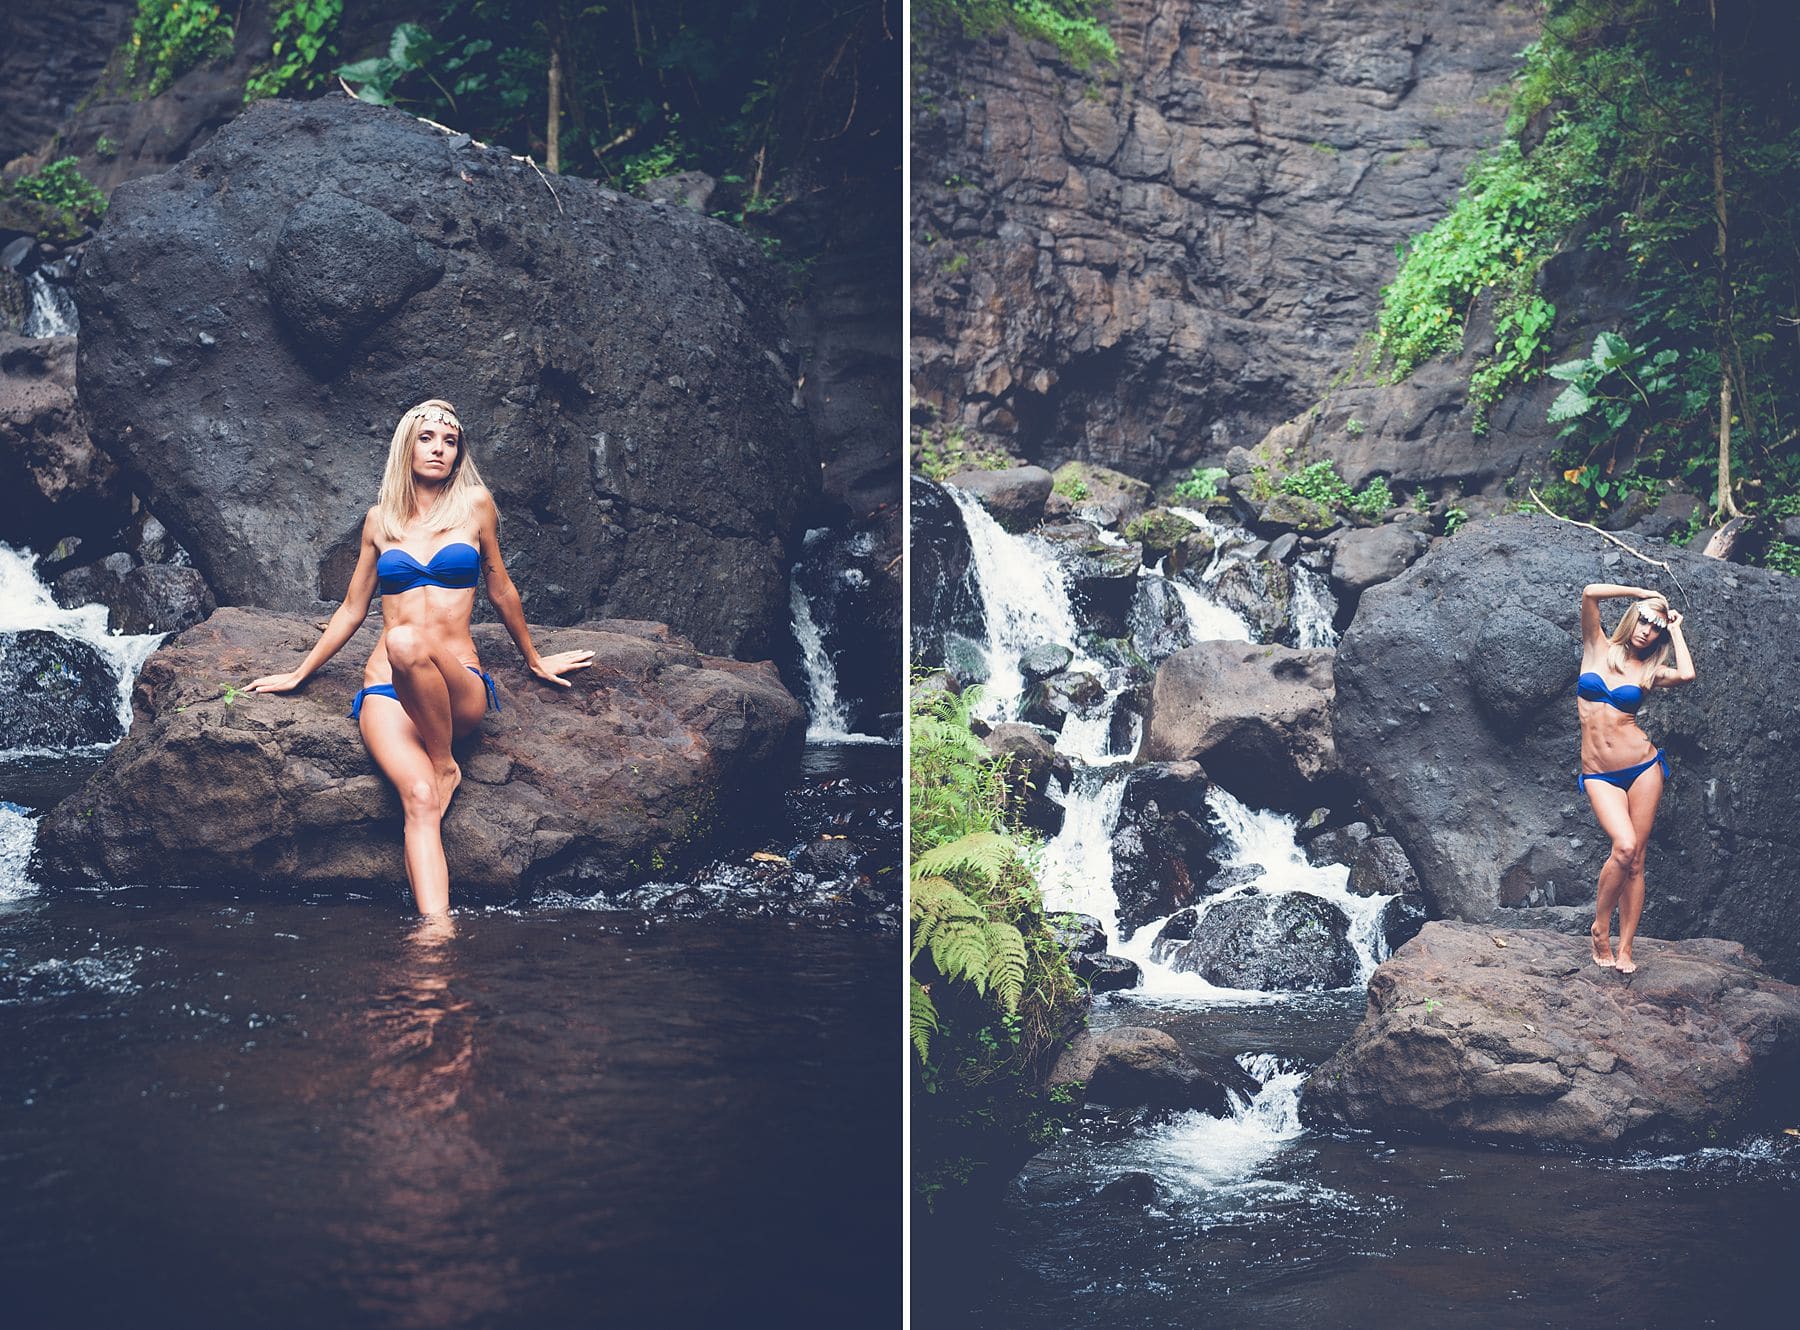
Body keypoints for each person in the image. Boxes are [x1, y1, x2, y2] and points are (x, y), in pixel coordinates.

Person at [246, 399, 593, 916]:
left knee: (405, 640)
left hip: (458, 685)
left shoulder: (475, 504)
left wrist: (535, 659)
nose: (439, 449)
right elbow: (351, 609)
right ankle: (434, 939)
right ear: (406, 446)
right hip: (387, 690)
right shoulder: (379, 520)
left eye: (449, 441)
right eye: (428, 438)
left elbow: (500, 589)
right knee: (420, 800)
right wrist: (300, 673)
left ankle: (442, 760)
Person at [1576, 582, 1695, 973]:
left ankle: (1626, 948)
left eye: (1656, 627)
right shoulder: (1597, 645)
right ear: (1633, 618)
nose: (1647, 630)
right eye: (1644, 621)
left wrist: (1675, 627)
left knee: (1637, 860)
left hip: (1643, 768)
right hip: (1599, 774)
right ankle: (1599, 927)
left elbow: (1688, 675)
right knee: (1623, 846)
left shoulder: (1649, 670)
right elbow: (1590, 592)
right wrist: (1640, 593)